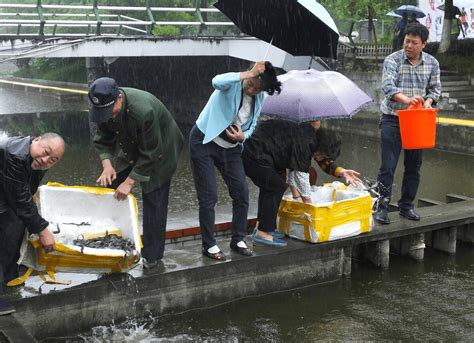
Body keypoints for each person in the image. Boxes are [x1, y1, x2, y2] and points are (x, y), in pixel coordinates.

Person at [88, 77, 184, 269]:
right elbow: (103, 139)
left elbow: (151, 153)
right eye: (102, 113)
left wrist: (129, 182)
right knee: (112, 186)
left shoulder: (142, 111)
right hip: (131, 145)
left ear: (119, 100)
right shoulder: (105, 109)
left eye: (109, 111)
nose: (106, 116)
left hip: (161, 151)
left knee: (154, 200)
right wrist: (107, 165)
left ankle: (152, 257)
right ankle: (111, 241)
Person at [189, 61, 281, 261]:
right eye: (252, 84)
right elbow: (216, 81)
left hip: (230, 148)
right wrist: (247, 73)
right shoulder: (232, 83)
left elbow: (253, 122)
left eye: (258, 89)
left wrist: (244, 136)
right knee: (209, 197)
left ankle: (238, 238)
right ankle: (209, 244)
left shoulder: (260, 98)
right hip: (204, 141)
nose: (252, 89)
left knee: (241, 193)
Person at [242, 119, 361, 246]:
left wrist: (340, 171)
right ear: (321, 149)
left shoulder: (309, 135)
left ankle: (262, 227)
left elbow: (294, 172)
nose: (320, 159)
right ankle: (263, 233)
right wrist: (309, 204)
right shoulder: (305, 142)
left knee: (271, 186)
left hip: (258, 151)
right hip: (255, 153)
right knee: (275, 187)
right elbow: (301, 176)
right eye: (324, 156)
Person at [374, 23, 441, 225]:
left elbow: (435, 89)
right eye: (407, 41)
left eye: (414, 42)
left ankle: (406, 206)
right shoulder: (392, 60)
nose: (409, 45)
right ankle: (381, 208)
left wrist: (428, 102)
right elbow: (387, 86)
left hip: (417, 121)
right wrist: (407, 100)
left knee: (414, 166)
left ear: (424, 45)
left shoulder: (432, 63)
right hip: (392, 118)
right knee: (387, 166)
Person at [0, 133, 64, 315]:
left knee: (19, 223)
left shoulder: (34, 156)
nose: (45, 160)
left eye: (53, 159)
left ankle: (8, 276)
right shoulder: (16, 155)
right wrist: (42, 229)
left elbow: (26, 191)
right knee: (6, 233)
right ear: (36, 140)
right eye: (45, 152)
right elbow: (20, 200)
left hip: (6, 191)